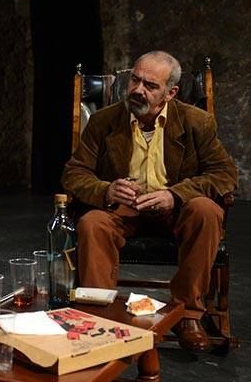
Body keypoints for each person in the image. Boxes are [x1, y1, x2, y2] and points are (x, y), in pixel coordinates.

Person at [62, 50, 238, 351]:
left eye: (150, 86)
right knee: (92, 223)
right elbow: (74, 173)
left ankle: (188, 315)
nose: (138, 90)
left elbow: (225, 173)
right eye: (135, 80)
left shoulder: (197, 122)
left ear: (171, 93)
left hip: (176, 209)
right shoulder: (105, 121)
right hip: (123, 209)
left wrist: (175, 195)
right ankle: (99, 316)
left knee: (205, 210)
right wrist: (106, 190)